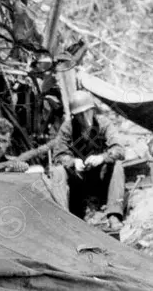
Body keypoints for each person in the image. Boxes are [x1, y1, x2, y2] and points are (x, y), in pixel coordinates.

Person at [50, 91, 127, 233]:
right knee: (58, 171)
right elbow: (58, 155)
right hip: (78, 181)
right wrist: (73, 162)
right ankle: (63, 218)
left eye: (87, 112)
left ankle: (114, 215)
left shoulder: (104, 124)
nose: (85, 118)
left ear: (93, 110)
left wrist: (102, 158)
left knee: (117, 165)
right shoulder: (68, 128)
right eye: (79, 114)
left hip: (100, 179)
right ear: (74, 115)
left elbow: (119, 150)